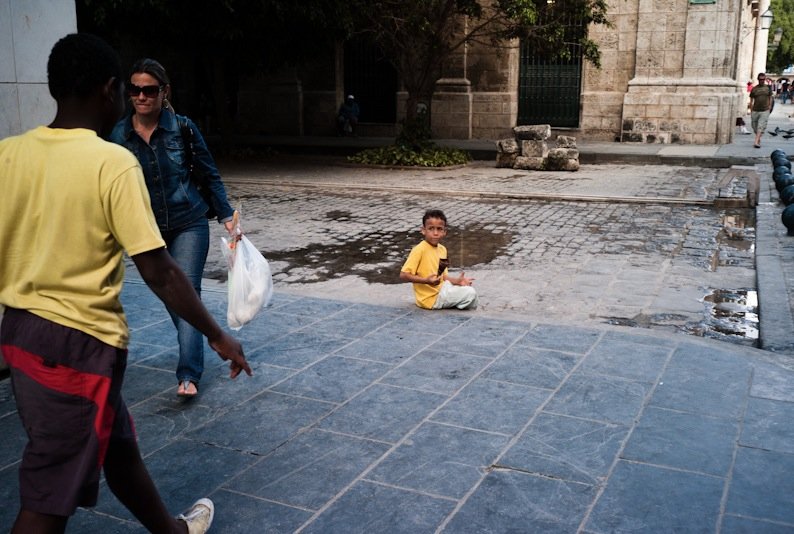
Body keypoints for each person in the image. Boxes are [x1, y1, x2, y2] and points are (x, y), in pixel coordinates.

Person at [0, 33, 251, 534]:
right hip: (77, 345)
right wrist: (218, 335)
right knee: (50, 493)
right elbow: (158, 271)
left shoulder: (8, 153)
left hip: (22, 336)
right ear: (110, 89)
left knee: (116, 444)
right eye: (129, 90)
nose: (136, 98)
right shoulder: (112, 161)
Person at [110, 58, 237, 398]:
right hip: (145, 231)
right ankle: (198, 345)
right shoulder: (119, 136)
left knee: (187, 291)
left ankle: (188, 373)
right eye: (134, 89)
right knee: (175, 297)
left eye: (149, 90)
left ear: (163, 92)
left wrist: (226, 215)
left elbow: (208, 173)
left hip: (189, 223)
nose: (141, 96)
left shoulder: (182, 128)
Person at [400, 209, 478, 310]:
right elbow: (403, 275)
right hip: (430, 299)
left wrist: (458, 281)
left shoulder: (442, 249)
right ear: (423, 230)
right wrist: (426, 281)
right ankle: (456, 302)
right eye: (431, 229)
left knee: (468, 289)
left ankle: (456, 299)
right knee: (470, 293)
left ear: (444, 232)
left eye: (439, 229)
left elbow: (443, 276)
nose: (435, 233)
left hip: (443, 288)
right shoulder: (419, 249)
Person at [749, 72, 774, 149]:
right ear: (758, 79)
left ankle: (756, 142)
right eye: (760, 79)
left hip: (764, 110)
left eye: (763, 79)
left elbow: (770, 97)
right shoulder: (754, 89)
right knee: (754, 126)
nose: (762, 81)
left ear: (765, 79)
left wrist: (770, 106)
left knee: (761, 126)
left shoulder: (768, 88)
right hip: (755, 110)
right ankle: (758, 138)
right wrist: (751, 109)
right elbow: (751, 100)